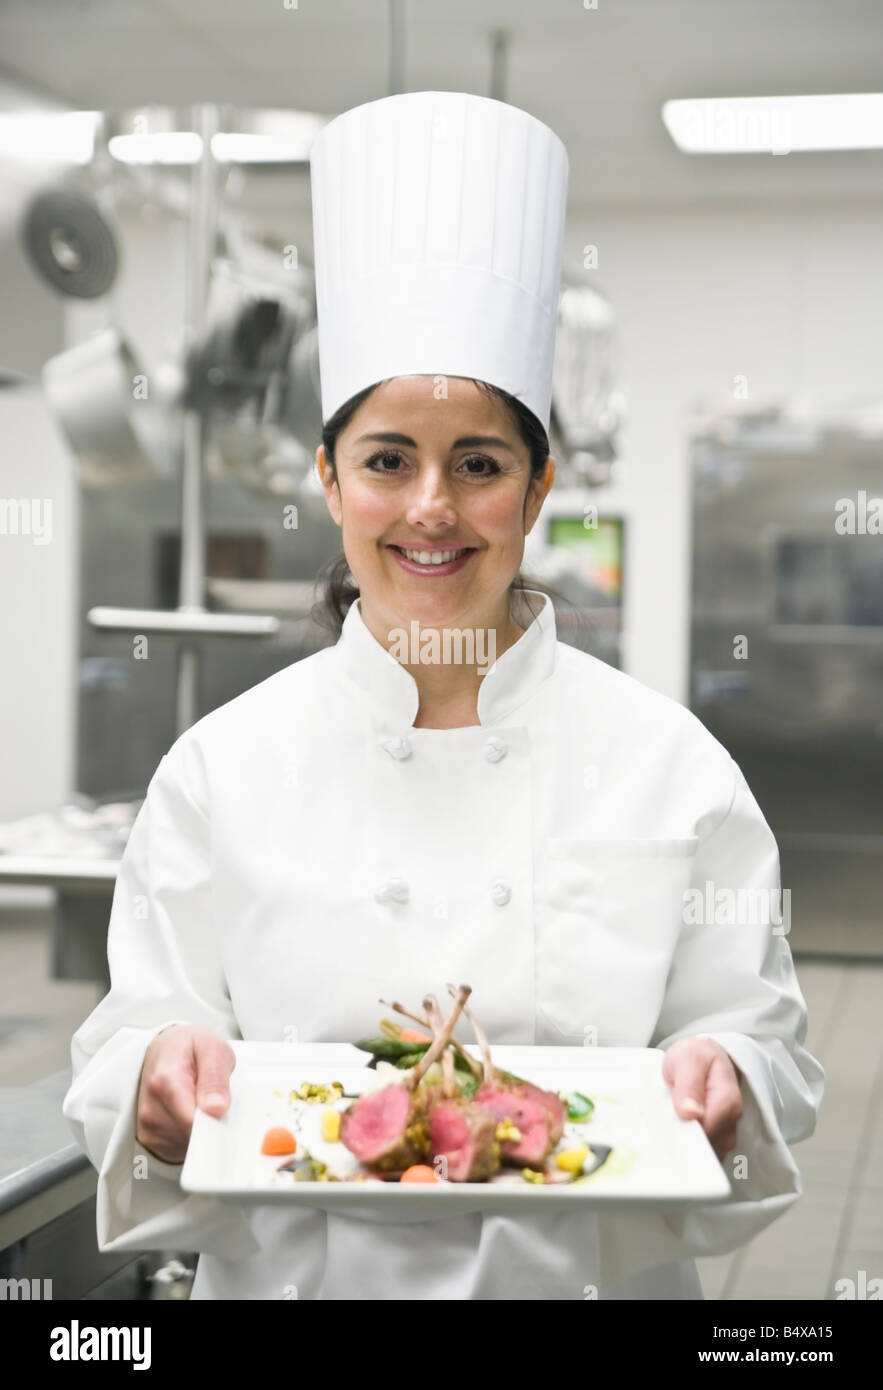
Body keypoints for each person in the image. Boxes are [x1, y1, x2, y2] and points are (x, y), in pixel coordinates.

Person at [63, 90, 824, 1300]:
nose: (430, 506)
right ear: (327, 479)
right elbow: (130, 1037)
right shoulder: (220, 770)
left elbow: (762, 1041)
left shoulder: (671, 768)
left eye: (478, 465)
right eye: (385, 461)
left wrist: (724, 1076)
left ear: (534, 493)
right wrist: (155, 1077)